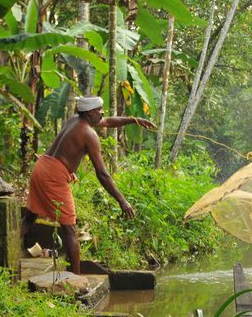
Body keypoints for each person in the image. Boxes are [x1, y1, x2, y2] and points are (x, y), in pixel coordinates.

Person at [21, 96, 155, 274]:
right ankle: (75, 280)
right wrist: (122, 201)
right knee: (70, 229)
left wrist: (134, 120)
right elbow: (102, 174)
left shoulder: (76, 120)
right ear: (90, 112)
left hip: (41, 167)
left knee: (29, 217)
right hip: (53, 176)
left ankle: (5, 256)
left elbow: (107, 122)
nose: (102, 113)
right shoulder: (89, 134)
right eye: (99, 110)